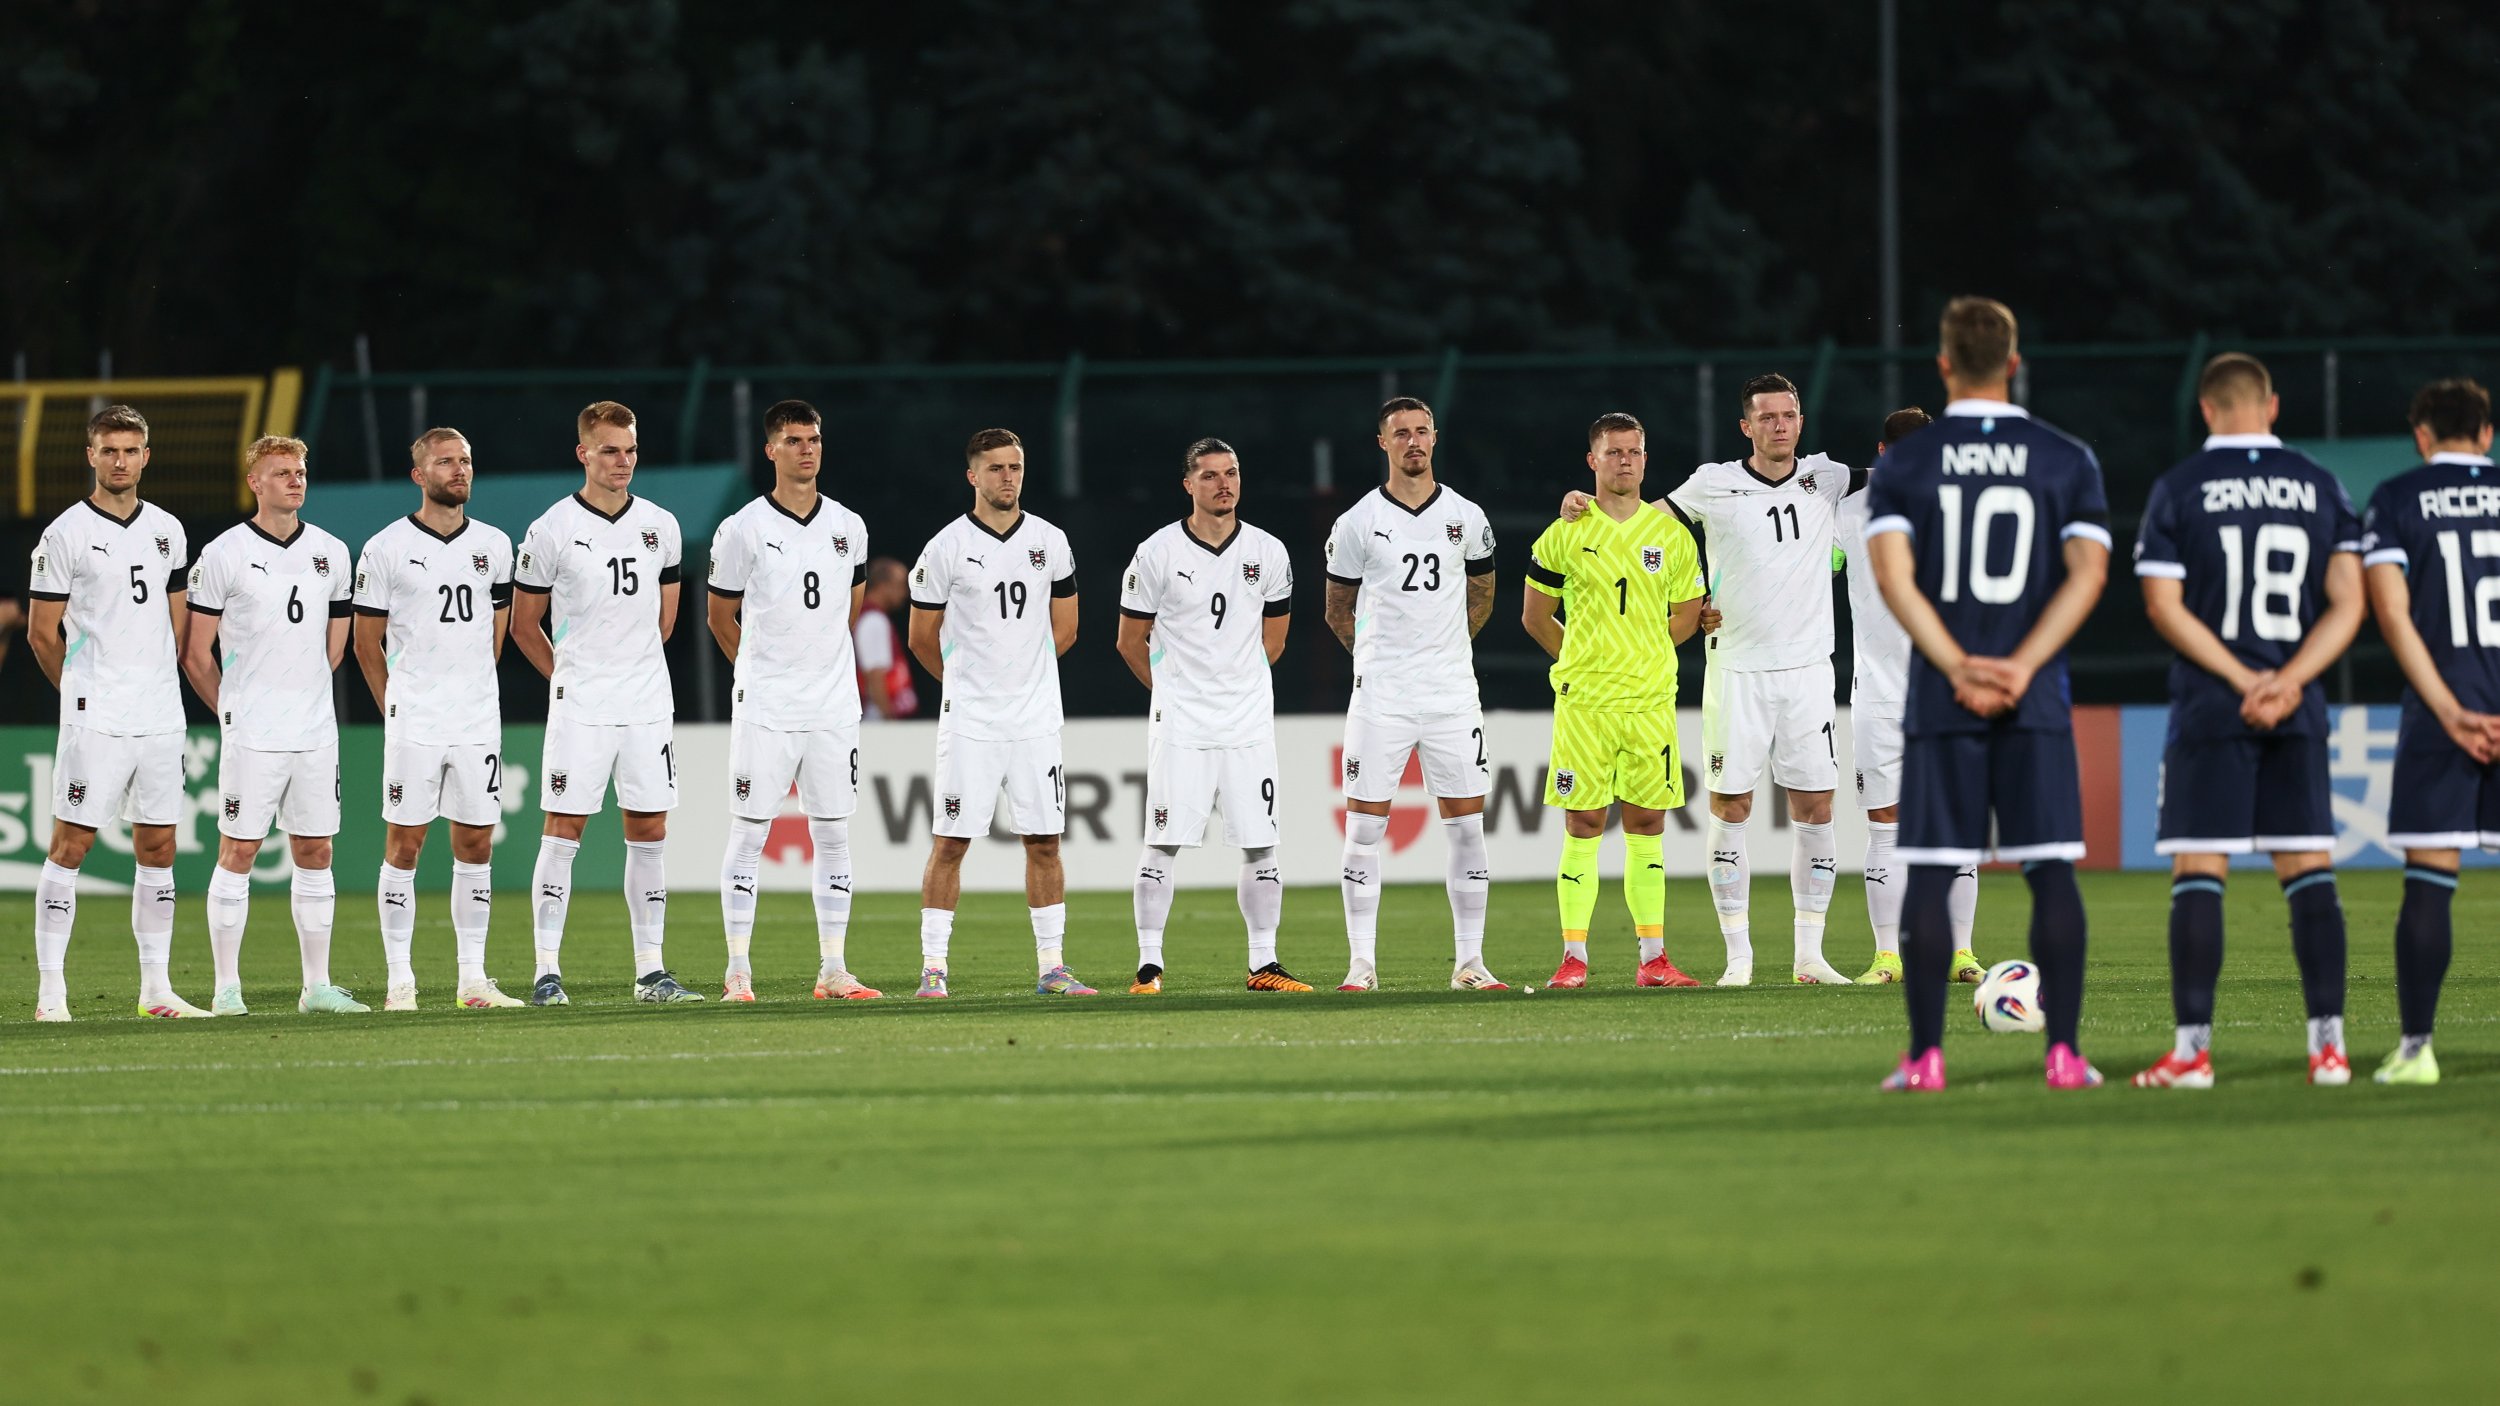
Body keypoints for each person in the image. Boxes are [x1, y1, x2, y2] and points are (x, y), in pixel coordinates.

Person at [1864, 296, 2112, 1092]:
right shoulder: (2065, 456)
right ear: (2013, 362)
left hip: (1943, 697)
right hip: (2033, 697)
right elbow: (2089, 575)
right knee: (2049, 869)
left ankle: (1925, 1058)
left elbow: (1892, 577)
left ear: (1943, 366)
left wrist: (1957, 664)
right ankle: (2065, 1055)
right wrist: (2021, 664)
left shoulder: (1905, 464)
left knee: (1933, 871)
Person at [2127, 353, 2365, 1088]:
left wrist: (2241, 680)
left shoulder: (2180, 487)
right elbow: (2350, 602)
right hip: (2297, 709)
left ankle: (2192, 1052)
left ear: (2206, 409)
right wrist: (2287, 680)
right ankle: (2329, 1049)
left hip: (2211, 705)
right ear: (2272, 404)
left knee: (2200, 872)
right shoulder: (2319, 483)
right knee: (2308, 872)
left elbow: (2163, 607)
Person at [511, 401, 698, 1005]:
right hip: (582, 702)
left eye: (631, 450)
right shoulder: (550, 529)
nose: (623, 462)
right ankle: (545, 972)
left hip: (646, 700)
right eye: (610, 450)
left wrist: (629, 663)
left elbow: (666, 619)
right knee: (564, 829)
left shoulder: (661, 526)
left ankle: (651, 971)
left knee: (649, 830)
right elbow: (523, 623)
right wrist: (564, 674)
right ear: (583, 453)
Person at [25, 405, 207, 1020]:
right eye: (109, 450)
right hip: (95, 712)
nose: (120, 461)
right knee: (70, 844)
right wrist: (77, 690)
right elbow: (41, 633)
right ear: (91, 456)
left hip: (159, 712)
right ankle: (52, 993)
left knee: (158, 847)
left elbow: (180, 621)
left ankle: (156, 990)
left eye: (131, 450)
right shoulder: (64, 534)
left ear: (146, 457)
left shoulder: (169, 530)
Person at [1521, 413, 1709, 989]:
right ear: (1592, 461)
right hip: (1586, 705)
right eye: (1613, 452)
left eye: (1634, 451)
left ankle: (1653, 958)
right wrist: (1579, 660)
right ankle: (1573, 958)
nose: (1625, 460)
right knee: (1583, 822)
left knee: (1648, 822)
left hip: (1650, 699)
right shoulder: (1564, 531)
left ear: (1645, 459)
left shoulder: (1671, 536)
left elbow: (1685, 619)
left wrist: (1639, 657)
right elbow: (1534, 616)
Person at [1322, 397, 1501, 991]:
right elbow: (1336, 608)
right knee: (1364, 829)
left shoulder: (1467, 516)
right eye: (1401, 433)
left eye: (1422, 431)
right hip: (1383, 696)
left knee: (1467, 827)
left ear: (1435, 437)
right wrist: (1378, 659)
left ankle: (1470, 964)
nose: (1413, 442)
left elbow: (1482, 592)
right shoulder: (1356, 522)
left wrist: (1444, 651)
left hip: (1452, 692)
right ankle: (1361, 966)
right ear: (1383, 444)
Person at [1116, 437, 1305, 993]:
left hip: (1248, 723)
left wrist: (1234, 685)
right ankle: (1149, 964)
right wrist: (1175, 691)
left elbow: (1274, 641)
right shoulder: (1157, 553)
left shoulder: (1268, 552)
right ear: (1188, 485)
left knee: (1261, 842)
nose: (1224, 484)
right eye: (1211, 475)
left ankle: (1263, 964)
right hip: (1182, 724)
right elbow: (1130, 641)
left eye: (1232, 473)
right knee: (1163, 839)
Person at [707, 399, 881, 1002]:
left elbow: (850, 607)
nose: (808, 449)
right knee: (750, 831)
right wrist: (759, 672)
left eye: (814, 438)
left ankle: (834, 968)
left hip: (833, 705)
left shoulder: (849, 526)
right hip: (768, 708)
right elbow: (720, 616)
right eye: (795, 440)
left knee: (833, 834)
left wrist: (820, 665)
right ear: (771, 450)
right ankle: (738, 972)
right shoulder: (743, 528)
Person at [182, 437, 360, 1015]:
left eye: (300, 471)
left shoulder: (332, 552)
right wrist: (230, 710)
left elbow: (334, 647)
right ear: (255, 483)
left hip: (313, 731)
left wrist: (302, 693)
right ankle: (227, 989)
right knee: (239, 850)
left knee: (315, 850)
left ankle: (317, 988)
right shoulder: (224, 553)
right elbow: (195, 654)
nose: (295, 480)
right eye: (281, 473)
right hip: (252, 732)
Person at [908, 428, 1087, 997]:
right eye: (995, 468)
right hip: (972, 723)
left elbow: (1067, 626)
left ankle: (1053, 967)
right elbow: (920, 637)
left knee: (1045, 842)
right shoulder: (946, 547)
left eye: (1015, 466)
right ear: (972, 476)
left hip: (1035, 721)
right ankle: (934, 968)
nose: (1007, 477)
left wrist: (1024, 676)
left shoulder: (1051, 541)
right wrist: (968, 683)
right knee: (951, 843)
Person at [2357, 376, 2500, 1086]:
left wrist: (2448, 709)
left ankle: (2417, 1051)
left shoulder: (2397, 499)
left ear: (2421, 437)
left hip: (2444, 714)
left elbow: (2391, 613)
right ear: (2487, 434)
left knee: (2428, 884)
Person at [351, 427, 524, 1010]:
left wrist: (472, 684)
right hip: (415, 720)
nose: (459, 471)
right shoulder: (386, 548)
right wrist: (395, 707)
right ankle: (400, 979)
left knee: (476, 843)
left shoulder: (496, 545)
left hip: (476, 718)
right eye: (446, 462)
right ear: (418, 474)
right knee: (405, 844)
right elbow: (364, 644)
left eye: (466, 461)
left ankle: (472, 978)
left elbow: (496, 631)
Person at [1837, 407, 1986, 985]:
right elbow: (1802, 571)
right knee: (1886, 826)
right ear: (1881, 453)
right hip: (1877, 693)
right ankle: (1887, 957)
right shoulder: (1848, 515)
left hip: (1949, 692)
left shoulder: (1963, 513)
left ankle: (1961, 954)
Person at [855, 558, 917, 719]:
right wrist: (889, 722)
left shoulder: (870, 616)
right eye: (901, 585)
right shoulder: (873, 619)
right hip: (876, 718)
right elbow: (874, 676)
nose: (905, 593)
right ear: (883, 586)